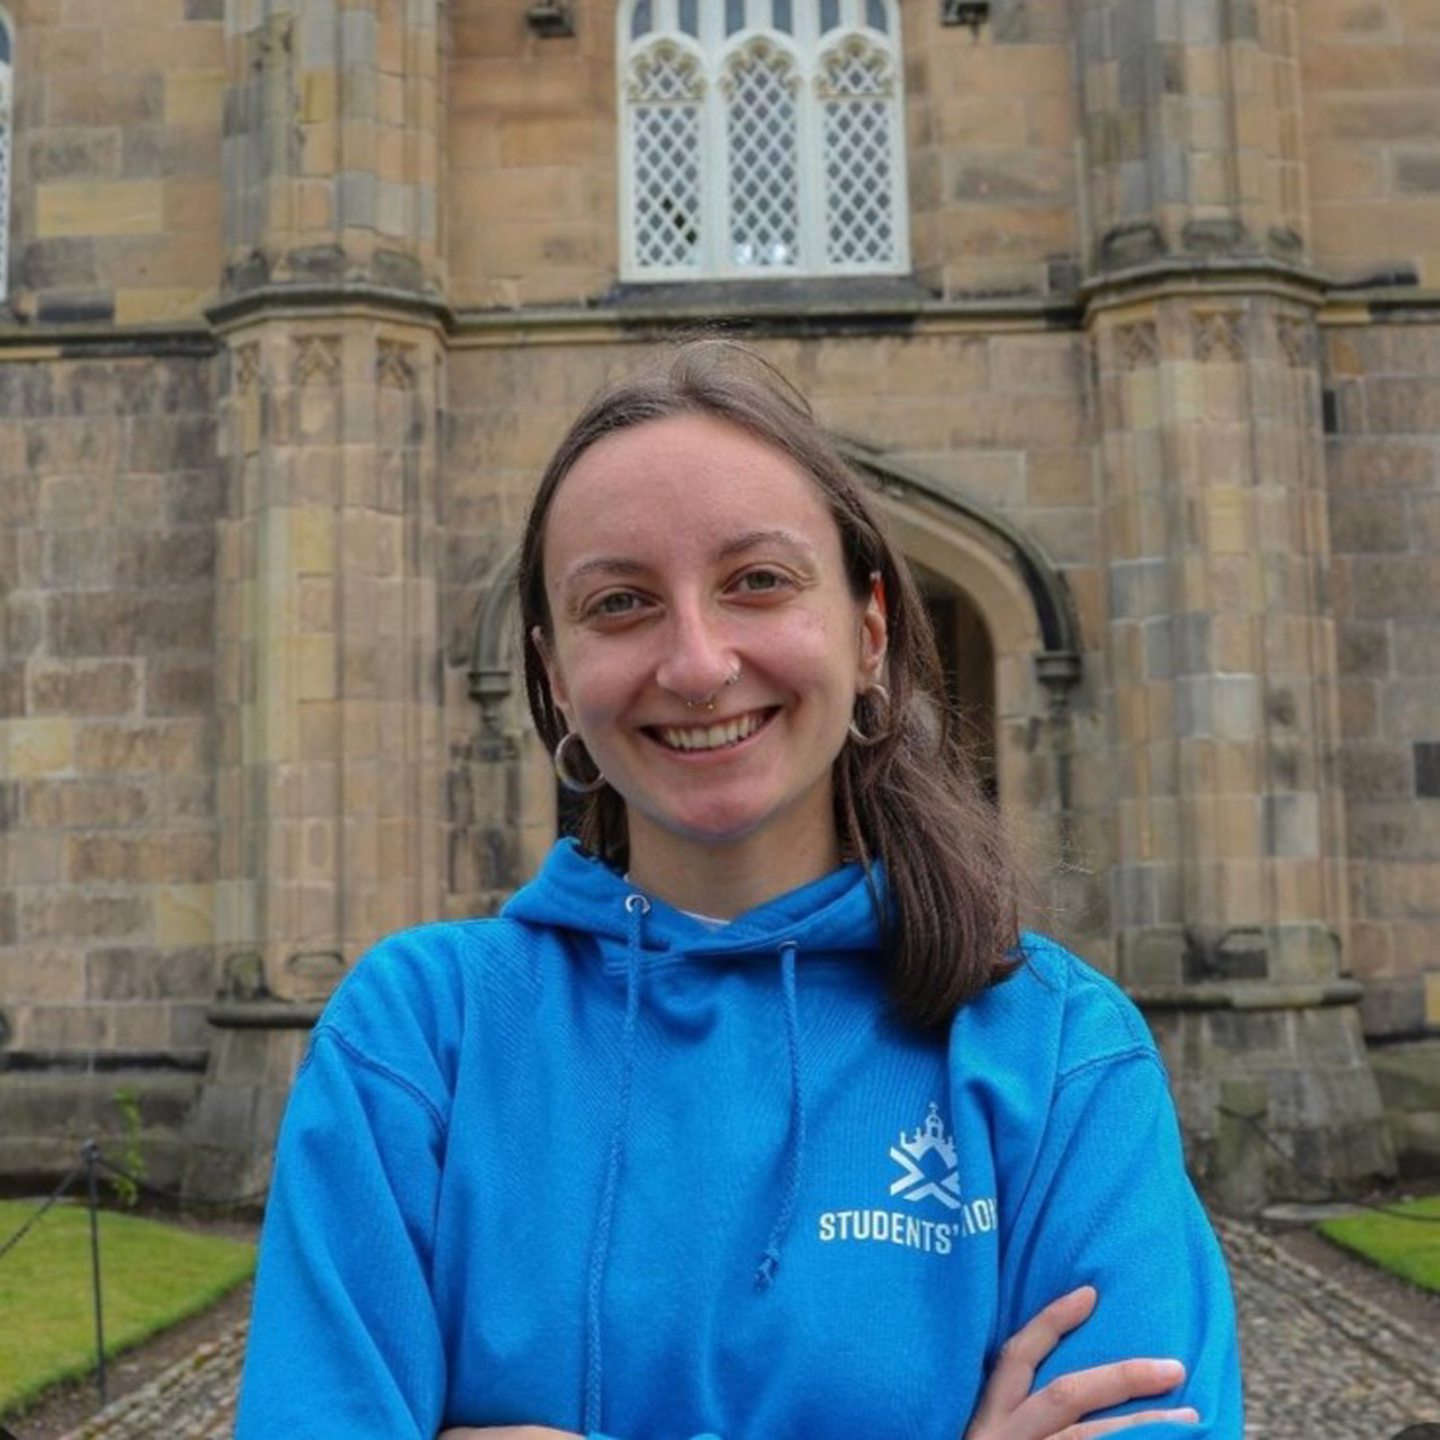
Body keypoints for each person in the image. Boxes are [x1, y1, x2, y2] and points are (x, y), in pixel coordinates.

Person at [235, 341, 1242, 1439]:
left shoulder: (1058, 1054)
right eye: (620, 603)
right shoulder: (420, 1037)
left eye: (757, 581)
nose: (699, 663)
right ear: (557, 674)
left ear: (868, 632)